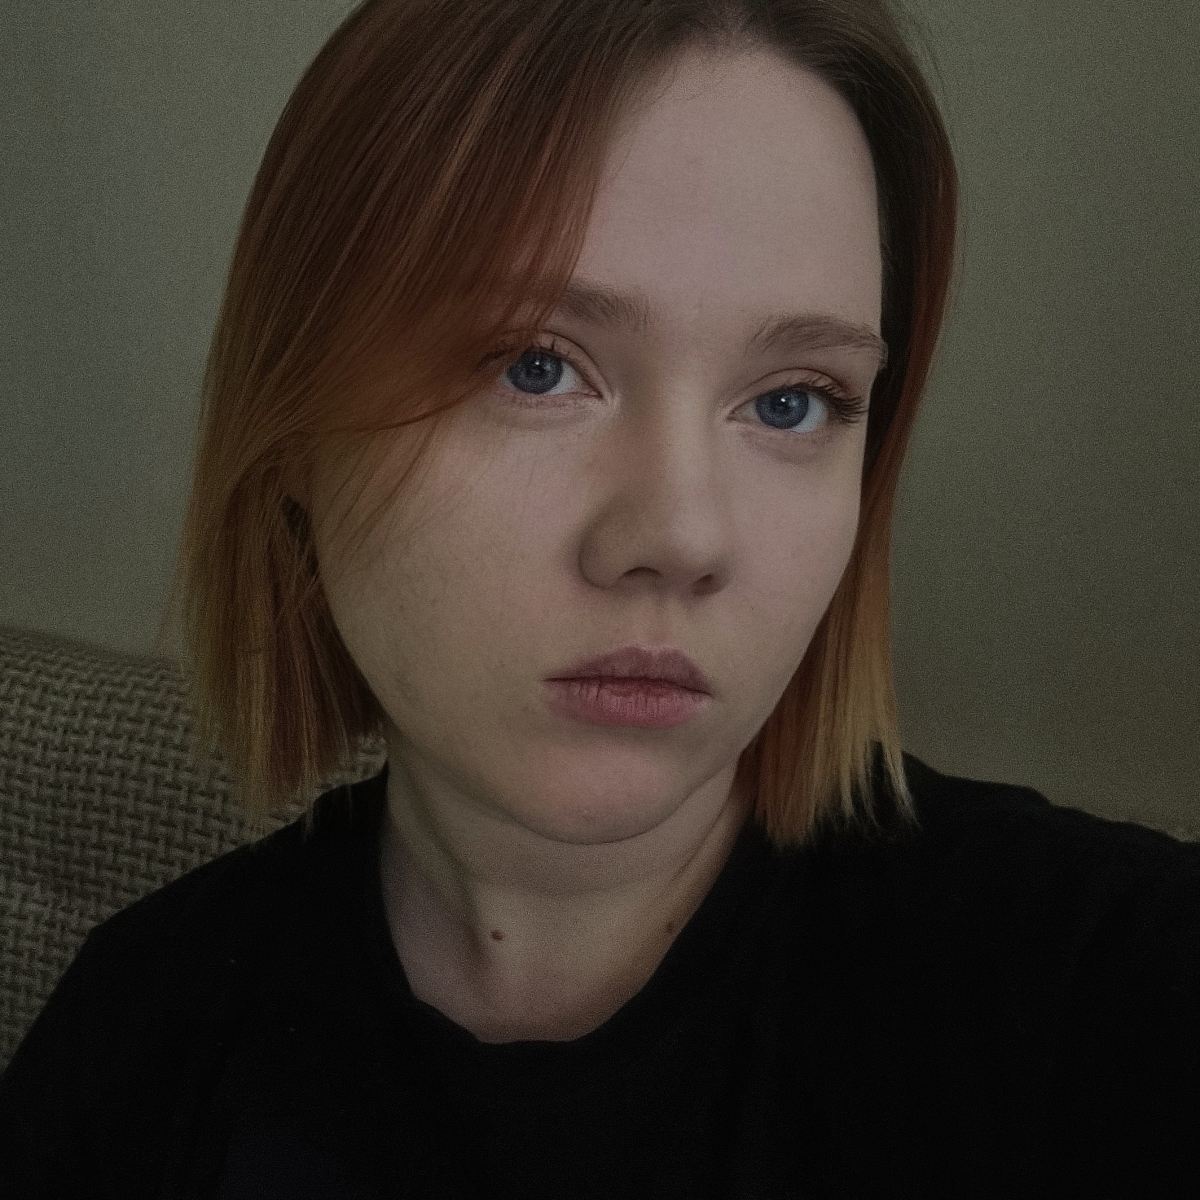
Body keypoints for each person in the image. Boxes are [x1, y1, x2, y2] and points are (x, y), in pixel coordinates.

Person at [2, 0, 1197, 1195]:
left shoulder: (1101, 986)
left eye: (792, 400)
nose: (681, 537)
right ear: (294, 436)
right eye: (536, 366)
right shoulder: (138, 1043)